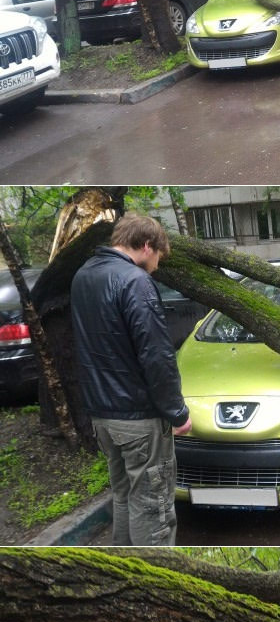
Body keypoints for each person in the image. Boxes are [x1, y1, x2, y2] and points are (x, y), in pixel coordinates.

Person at [70, 212, 192, 546]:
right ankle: (156, 581)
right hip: (138, 417)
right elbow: (156, 355)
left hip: (103, 416)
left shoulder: (84, 276)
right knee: (153, 508)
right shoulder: (135, 282)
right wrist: (177, 412)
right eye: (158, 258)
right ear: (147, 245)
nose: (157, 266)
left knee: (124, 496)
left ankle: (125, 566)